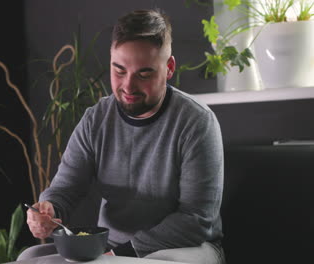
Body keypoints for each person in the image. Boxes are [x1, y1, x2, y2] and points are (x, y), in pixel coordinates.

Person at [18, 8, 225, 264]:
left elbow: (196, 221)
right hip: (111, 249)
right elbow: (66, 187)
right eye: (119, 70)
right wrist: (48, 207)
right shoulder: (96, 119)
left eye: (144, 74)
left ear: (169, 68)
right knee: (30, 257)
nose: (128, 86)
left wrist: (121, 253)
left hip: (188, 248)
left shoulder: (197, 122)